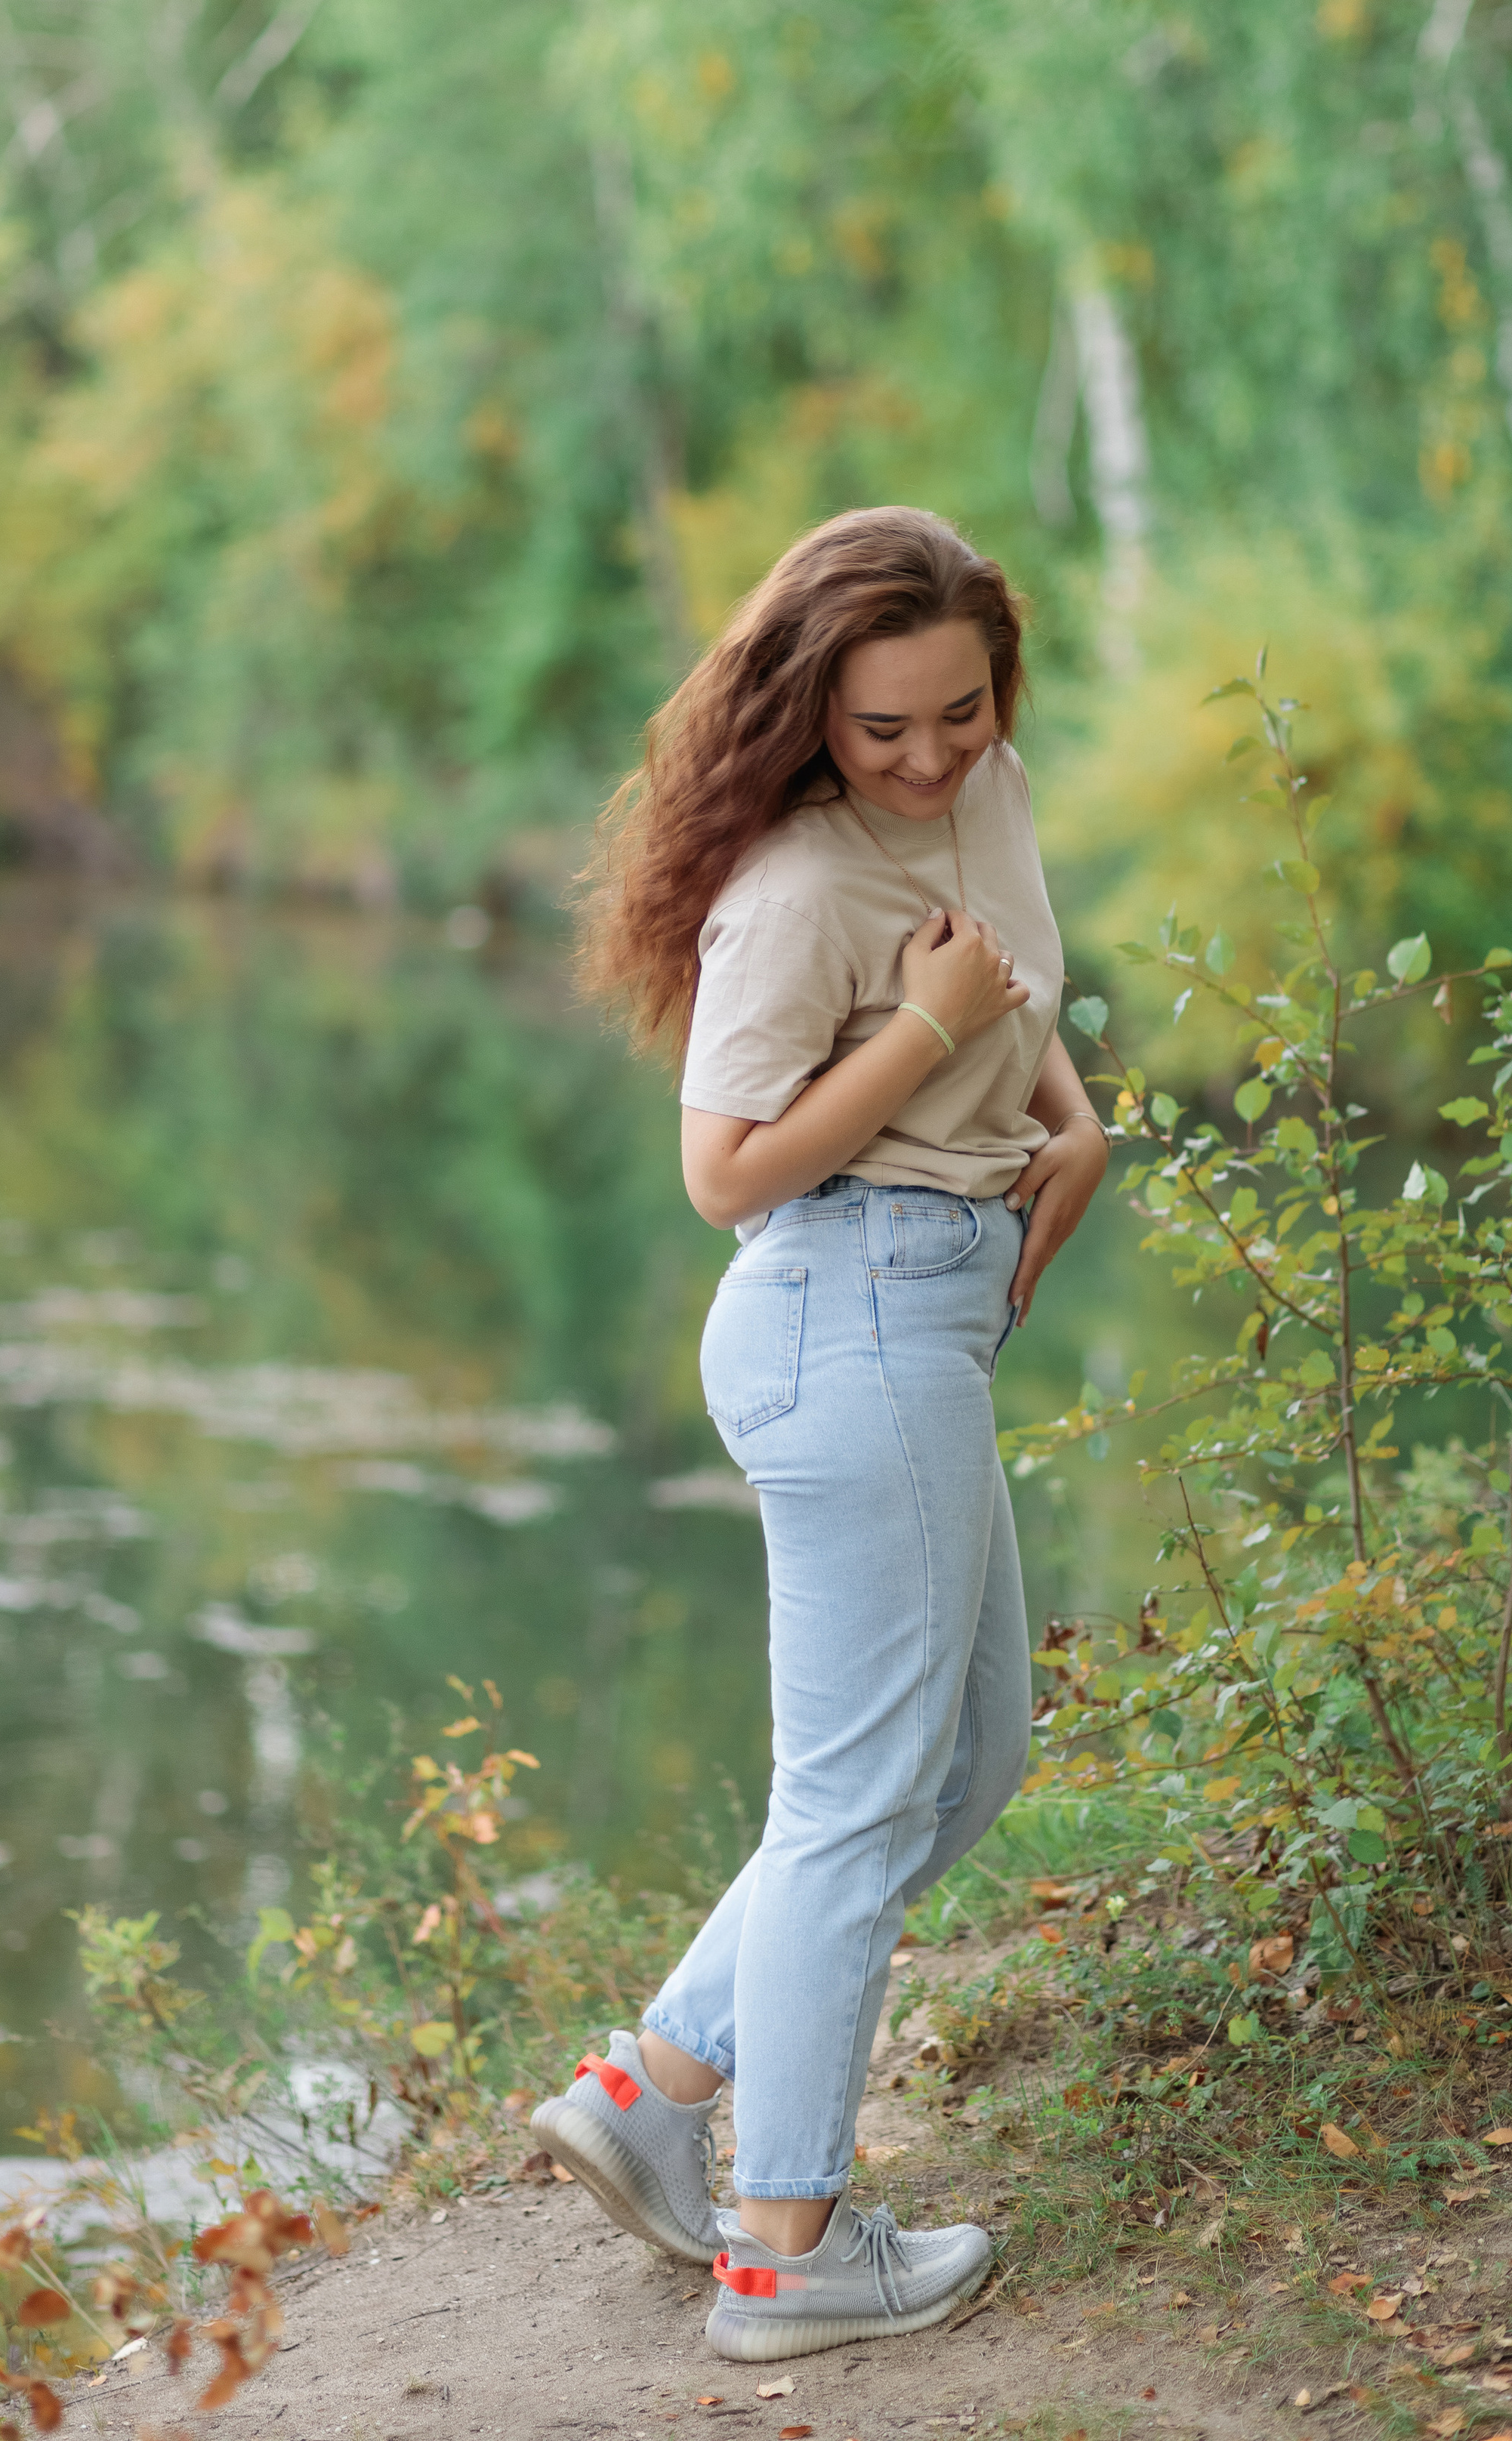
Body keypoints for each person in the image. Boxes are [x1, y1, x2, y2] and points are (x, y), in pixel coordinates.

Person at [534, 506, 1106, 2361]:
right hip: (840, 1307)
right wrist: (921, 1030)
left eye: (960, 710)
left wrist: (1064, 1112)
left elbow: (1005, 976)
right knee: (853, 1806)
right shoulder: (788, 891)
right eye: (882, 729)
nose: (928, 756)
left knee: (970, 1760)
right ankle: (785, 2250)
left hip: (924, 1314)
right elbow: (727, 1173)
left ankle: (653, 2089)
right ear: (806, 712)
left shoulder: (988, 789)